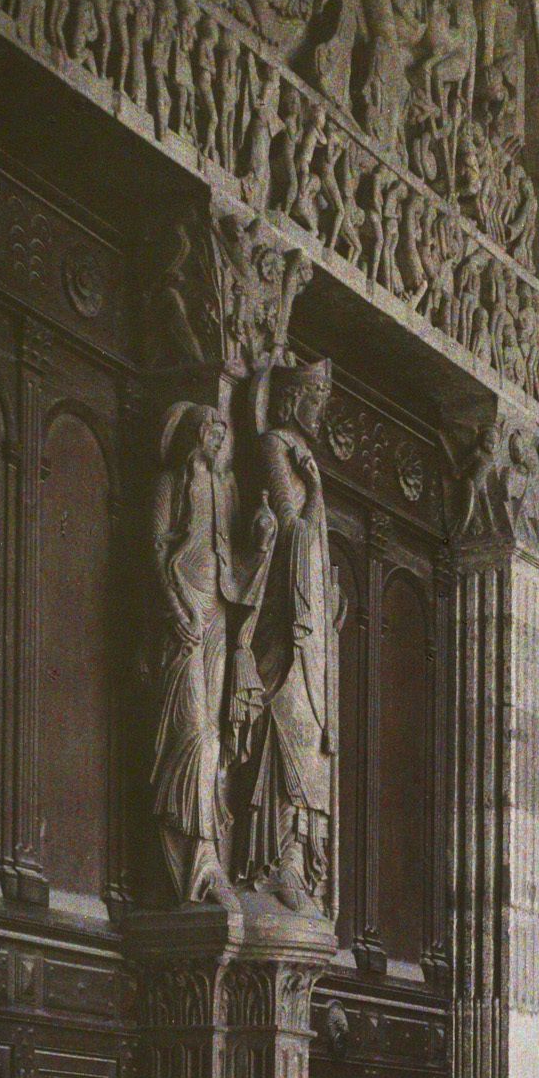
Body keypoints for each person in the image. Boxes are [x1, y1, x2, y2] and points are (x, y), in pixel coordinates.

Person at [151, 402, 272, 905]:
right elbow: (157, 549)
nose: (219, 438)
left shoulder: (227, 486)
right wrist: (175, 605)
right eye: (212, 430)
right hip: (186, 616)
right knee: (192, 734)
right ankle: (192, 872)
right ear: (195, 433)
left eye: (224, 431)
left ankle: (210, 866)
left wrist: (263, 543)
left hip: (220, 613)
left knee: (218, 739)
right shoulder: (173, 483)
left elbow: (233, 562)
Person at [237, 358, 338, 915]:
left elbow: (313, 531)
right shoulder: (275, 445)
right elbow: (292, 527)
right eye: (314, 398)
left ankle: (299, 857)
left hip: (314, 618)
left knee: (314, 735)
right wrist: (313, 493)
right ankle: (278, 861)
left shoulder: (304, 457)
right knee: (290, 719)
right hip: (285, 615)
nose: (318, 410)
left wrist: (318, 486)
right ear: (291, 397)